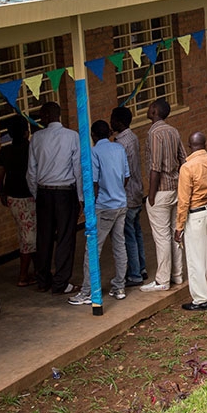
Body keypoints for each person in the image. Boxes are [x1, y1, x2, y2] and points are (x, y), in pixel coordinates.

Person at [69, 120, 130, 304]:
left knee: (93, 249)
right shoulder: (119, 149)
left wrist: (90, 206)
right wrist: (117, 191)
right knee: (119, 245)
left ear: (93, 136)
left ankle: (87, 290)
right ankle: (119, 286)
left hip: (104, 206)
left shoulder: (94, 152)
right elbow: (126, 177)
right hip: (121, 203)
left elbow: (94, 182)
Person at [26, 101, 82, 295]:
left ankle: (43, 280)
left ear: (47, 116)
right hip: (65, 192)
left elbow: (31, 172)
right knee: (66, 237)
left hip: (43, 192)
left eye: (41, 115)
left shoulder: (36, 138)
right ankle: (60, 282)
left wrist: (37, 193)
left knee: (44, 237)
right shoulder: (72, 136)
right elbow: (78, 169)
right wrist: (80, 196)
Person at [140, 98, 187, 292]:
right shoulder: (173, 131)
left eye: (150, 106)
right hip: (175, 188)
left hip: (160, 191)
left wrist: (150, 196)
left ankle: (162, 280)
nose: (148, 107)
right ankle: (177, 275)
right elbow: (183, 159)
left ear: (154, 111)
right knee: (175, 233)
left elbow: (155, 167)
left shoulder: (154, 133)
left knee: (161, 236)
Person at [175, 132, 207, 311]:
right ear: (205, 144)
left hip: (196, 216)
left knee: (197, 259)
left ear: (189, 145)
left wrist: (179, 226)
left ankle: (201, 299)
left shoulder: (187, 167)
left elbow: (184, 200)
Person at [0, 116, 36, 287]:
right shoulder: (32, 149)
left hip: (13, 199)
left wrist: (2, 194)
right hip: (31, 197)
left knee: (27, 235)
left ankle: (37, 270)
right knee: (30, 238)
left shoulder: (5, 152)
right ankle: (23, 276)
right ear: (27, 133)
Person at [110, 106, 147, 288]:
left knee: (128, 235)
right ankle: (141, 267)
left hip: (128, 194)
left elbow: (120, 173)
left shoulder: (119, 143)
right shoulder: (132, 137)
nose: (110, 122)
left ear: (118, 122)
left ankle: (134, 274)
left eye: (112, 119)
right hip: (137, 191)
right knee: (137, 231)